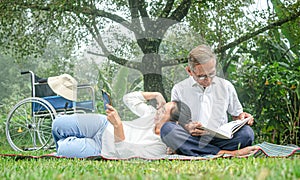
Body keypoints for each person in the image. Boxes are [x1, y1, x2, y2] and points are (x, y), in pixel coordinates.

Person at [160, 44, 257, 156]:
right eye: (202, 76)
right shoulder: (179, 89)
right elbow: (175, 121)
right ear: (189, 71)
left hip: (220, 139)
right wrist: (188, 126)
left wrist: (243, 117)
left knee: (247, 133)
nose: (208, 80)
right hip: (193, 138)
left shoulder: (226, 86)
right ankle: (228, 153)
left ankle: (195, 151)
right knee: (167, 129)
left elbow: (237, 116)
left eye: (212, 74)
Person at [52, 91, 185, 158]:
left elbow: (124, 153)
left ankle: (70, 142)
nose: (158, 111)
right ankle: (72, 140)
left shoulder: (159, 146)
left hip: (102, 148)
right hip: (103, 125)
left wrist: (118, 127)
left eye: (163, 111)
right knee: (58, 124)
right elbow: (129, 98)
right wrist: (156, 95)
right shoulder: (151, 114)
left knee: (63, 148)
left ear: (174, 123)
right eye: (161, 108)